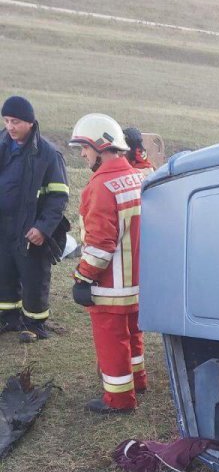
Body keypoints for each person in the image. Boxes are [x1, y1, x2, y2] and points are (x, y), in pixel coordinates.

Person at [69, 113, 147, 414]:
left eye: (84, 148)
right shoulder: (135, 177)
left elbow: (100, 245)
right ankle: (137, 381)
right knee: (132, 335)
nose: (83, 155)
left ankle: (119, 398)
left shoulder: (100, 187)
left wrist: (82, 277)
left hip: (110, 286)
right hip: (136, 282)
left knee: (112, 341)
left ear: (100, 146)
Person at [0, 95, 69, 342]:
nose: (10, 126)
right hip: (3, 225)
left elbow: (59, 198)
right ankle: (8, 317)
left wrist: (43, 228)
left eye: (15, 121)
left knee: (33, 275)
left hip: (31, 227)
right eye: (7, 120)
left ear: (30, 122)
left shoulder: (49, 154)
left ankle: (34, 323)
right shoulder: (2, 143)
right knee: (3, 270)